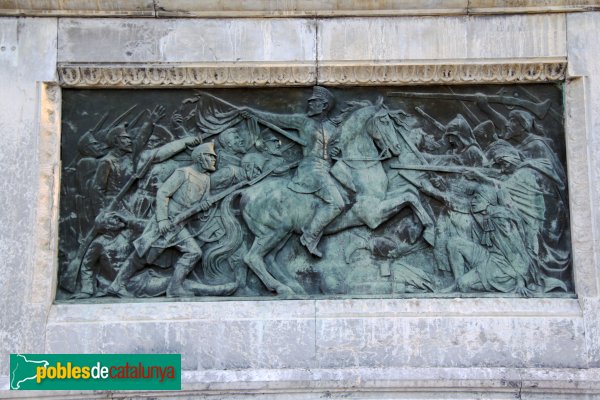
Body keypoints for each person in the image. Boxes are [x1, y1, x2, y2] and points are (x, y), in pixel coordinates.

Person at [106, 143, 221, 298]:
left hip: (179, 224)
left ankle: (174, 288)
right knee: (143, 256)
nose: (215, 159)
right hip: (166, 222)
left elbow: (201, 203)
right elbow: (163, 193)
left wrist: (205, 205)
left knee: (194, 252)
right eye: (211, 156)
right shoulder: (183, 173)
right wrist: (162, 220)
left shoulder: (206, 179)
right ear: (201, 158)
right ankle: (117, 285)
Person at [243, 86, 344, 257]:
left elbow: (335, 151)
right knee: (337, 203)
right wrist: (254, 113)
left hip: (328, 169)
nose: (309, 104)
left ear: (324, 105)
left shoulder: (333, 129)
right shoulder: (303, 122)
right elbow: (277, 119)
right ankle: (309, 236)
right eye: (310, 101)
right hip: (311, 170)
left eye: (314, 102)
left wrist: (336, 153)